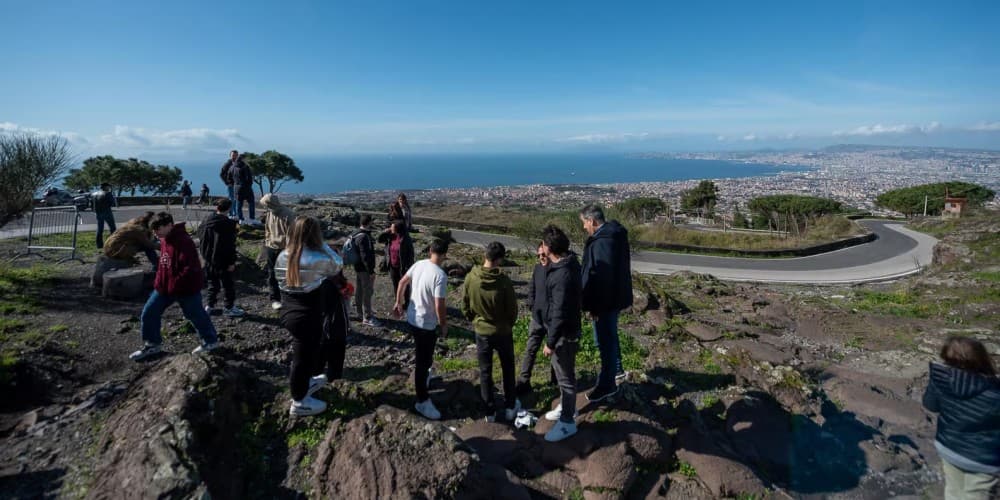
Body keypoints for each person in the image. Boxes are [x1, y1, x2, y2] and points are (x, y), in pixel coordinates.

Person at [275, 216, 344, 417]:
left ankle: (305, 383)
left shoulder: (283, 255)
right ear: (315, 234)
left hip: (289, 311)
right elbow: (337, 264)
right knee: (302, 358)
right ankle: (299, 402)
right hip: (308, 315)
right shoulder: (316, 257)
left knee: (305, 353)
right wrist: (323, 244)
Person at [129, 212, 219, 361]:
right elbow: (164, 264)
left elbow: (190, 268)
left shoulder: (184, 241)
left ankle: (210, 341)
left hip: (186, 288)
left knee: (195, 314)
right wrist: (159, 282)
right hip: (163, 287)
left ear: (169, 225)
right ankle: (152, 344)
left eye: (158, 228)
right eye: (154, 229)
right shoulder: (165, 239)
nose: (155, 233)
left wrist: (175, 284)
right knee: (149, 313)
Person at [922, 336, 999, 500]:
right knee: (977, 495)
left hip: (948, 447)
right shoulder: (994, 391)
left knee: (953, 491)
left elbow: (930, 405)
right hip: (982, 459)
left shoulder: (940, 379)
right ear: (982, 358)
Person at [579, 204, 632, 403]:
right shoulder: (614, 235)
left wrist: (594, 307)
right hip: (615, 298)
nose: (584, 227)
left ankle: (607, 383)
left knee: (604, 340)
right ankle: (616, 371)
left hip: (605, 302)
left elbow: (601, 278)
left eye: (584, 223)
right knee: (609, 336)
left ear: (592, 221)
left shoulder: (603, 242)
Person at [462, 241, 520, 422]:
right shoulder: (503, 281)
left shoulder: (471, 277)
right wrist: (508, 323)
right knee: (508, 369)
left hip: (482, 331)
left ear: (485, 255)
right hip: (502, 331)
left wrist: (475, 320)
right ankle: (510, 406)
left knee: (485, 372)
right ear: (500, 259)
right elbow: (512, 310)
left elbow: (465, 305)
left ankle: (489, 412)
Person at [393, 239, 449, 420]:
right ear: (445, 255)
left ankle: (424, 377)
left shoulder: (419, 264)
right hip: (426, 324)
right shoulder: (440, 275)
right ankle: (422, 400)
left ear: (430, 250)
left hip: (412, 318)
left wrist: (398, 302)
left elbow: (402, 282)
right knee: (422, 360)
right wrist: (443, 324)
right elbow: (439, 303)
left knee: (424, 354)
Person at [539, 225, 582, 442]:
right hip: (570, 329)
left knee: (565, 377)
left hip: (563, 333)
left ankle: (567, 422)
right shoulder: (570, 263)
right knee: (566, 373)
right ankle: (567, 407)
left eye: (544, 245)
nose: (542, 247)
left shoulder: (561, 276)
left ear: (549, 248)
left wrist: (550, 342)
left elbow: (559, 312)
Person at [516, 242, 556, 396]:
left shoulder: (556, 271)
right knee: (530, 349)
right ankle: (524, 380)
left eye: (543, 255)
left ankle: (556, 380)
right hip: (537, 319)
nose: (541, 258)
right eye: (538, 255)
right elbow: (532, 288)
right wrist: (531, 304)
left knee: (555, 351)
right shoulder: (538, 269)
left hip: (552, 321)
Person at [198, 199, 245, 318]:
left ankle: (209, 306)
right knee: (228, 285)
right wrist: (231, 261)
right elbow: (230, 245)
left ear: (217, 208)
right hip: (223, 259)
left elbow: (201, 237)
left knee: (212, 284)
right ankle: (229, 307)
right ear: (229, 208)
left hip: (208, 258)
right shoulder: (228, 224)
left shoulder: (206, 220)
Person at [260, 194, 296, 310]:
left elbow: (291, 235)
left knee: (286, 275)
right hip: (271, 247)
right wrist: (267, 241)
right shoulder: (270, 212)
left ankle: (288, 298)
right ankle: (275, 299)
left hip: (284, 249)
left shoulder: (288, 214)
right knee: (272, 274)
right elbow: (268, 229)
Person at [351, 215, 382, 327]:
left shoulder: (355, 233)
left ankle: (360, 313)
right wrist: (371, 271)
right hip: (364, 269)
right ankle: (367, 317)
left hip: (357, 267)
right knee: (367, 292)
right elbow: (365, 256)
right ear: (369, 223)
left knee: (359, 290)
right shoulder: (364, 237)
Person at [386, 219, 415, 310]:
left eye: (392, 227)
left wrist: (408, 267)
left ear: (398, 228)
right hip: (392, 266)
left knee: (405, 285)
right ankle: (398, 302)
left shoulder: (406, 239)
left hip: (403, 267)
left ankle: (406, 303)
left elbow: (411, 254)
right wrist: (386, 232)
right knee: (395, 284)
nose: (391, 228)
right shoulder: (391, 236)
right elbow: (379, 239)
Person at [230, 154, 256, 222]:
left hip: (236, 187)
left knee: (239, 203)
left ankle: (240, 218)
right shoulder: (245, 167)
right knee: (251, 202)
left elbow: (229, 177)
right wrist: (249, 185)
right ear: (243, 159)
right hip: (246, 187)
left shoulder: (232, 167)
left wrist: (235, 184)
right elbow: (249, 178)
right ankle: (252, 218)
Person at [93, 183, 117, 249]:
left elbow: (92, 204)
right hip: (107, 212)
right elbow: (112, 203)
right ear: (105, 187)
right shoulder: (108, 193)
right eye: (108, 186)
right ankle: (112, 243)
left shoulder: (94, 194)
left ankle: (99, 245)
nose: (109, 188)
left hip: (98, 213)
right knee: (113, 228)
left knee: (100, 229)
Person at [219, 150, 241, 218]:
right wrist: (227, 182)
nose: (234, 156)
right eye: (233, 155)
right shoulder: (227, 164)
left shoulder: (239, 164)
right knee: (231, 200)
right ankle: (231, 214)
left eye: (236, 155)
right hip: (231, 185)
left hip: (237, 185)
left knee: (237, 200)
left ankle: (236, 214)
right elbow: (221, 174)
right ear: (230, 156)